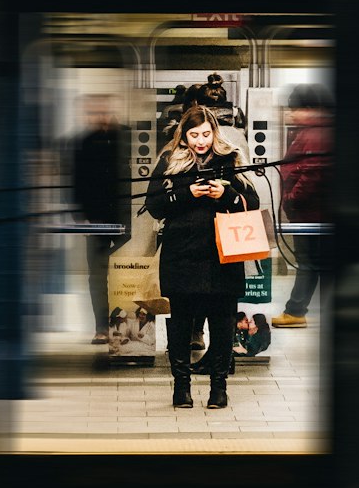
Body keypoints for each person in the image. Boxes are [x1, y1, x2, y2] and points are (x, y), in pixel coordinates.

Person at [145, 104, 259, 409]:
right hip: (181, 254)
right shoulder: (169, 161)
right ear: (183, 136)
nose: (200, 141)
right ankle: (181, 388)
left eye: (206, 134)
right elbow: (153, 205)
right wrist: (186, 194)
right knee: (181, 323)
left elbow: (251, 202)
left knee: (222, 324)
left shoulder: (231, 158)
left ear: (214, 132)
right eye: (194, 135)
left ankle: (218, 388)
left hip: (223, 255)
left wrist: (226, 195)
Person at [272, 83, 333, 328]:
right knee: (313, 262)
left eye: (295, 109)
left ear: (311, 108)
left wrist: (291, 199)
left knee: (308, 262)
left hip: (310, 213)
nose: (291, 114)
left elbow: (312, 174)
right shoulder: (312, 131)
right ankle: (297, 310)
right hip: (312, 212)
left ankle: (296, 312)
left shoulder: (316, 134)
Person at [72, 95, 131, 343]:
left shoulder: (129, 137)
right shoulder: (84, 142)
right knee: (97, 274)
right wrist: (81, 217)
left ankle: (125, 325)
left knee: (128, 271)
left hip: (125, 218)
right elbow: (76, 181)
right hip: (95, 218)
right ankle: (101, 326)